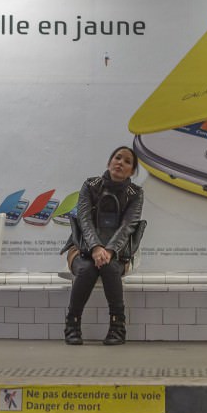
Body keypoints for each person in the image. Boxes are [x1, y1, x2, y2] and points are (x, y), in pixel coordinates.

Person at [61, 146, 145, 346]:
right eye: (117, 158)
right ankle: (72, 324)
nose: (120, 163)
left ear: (132, 171)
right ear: (109, 163)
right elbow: (84, 220)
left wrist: (108, 250)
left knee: (109, 268)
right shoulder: (90, 185)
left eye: (127, 162)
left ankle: (118, 327)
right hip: (82, 248)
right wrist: (96, 247)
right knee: (87, 269)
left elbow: (128, 226)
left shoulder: (136, 193)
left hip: (117, 252)